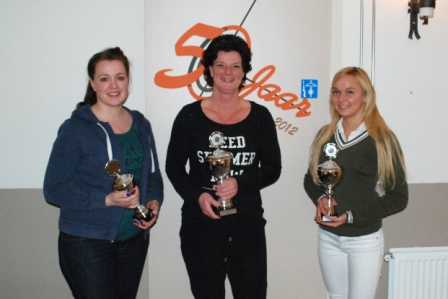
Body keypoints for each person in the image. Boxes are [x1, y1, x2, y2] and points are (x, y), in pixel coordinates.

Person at [165, 34, 281, 299]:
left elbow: (273, 168)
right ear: (209, 70)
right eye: (221, 65)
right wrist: (198, 196)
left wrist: (240, 184)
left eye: (236, 66)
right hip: (201, 226)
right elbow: (173, 168)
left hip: (247, 226)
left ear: (244, 72)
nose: (228, 72)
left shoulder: (260, 117)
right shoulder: (189, 116)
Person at [43, 47, 164, 299]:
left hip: (133, 240)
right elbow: (54, 189)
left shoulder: (141, 124)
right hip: (86, 243)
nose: (113, 85)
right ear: (93, 83)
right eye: (104, 78)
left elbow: (152, 175)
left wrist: (153, 203)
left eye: (120, 77)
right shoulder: (75, 129)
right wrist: (106, 200)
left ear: (128, 80)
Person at [303, 67, 408, 299]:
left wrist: (350, 216)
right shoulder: (326, 135)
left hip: (364, 240)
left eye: (350, 92)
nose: (341, 99)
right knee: (335, 296)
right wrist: (321, 199)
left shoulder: (382, 139)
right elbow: (311, 180)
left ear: (365, 96)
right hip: (328, 237)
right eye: (336, 92)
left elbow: (398, 197)